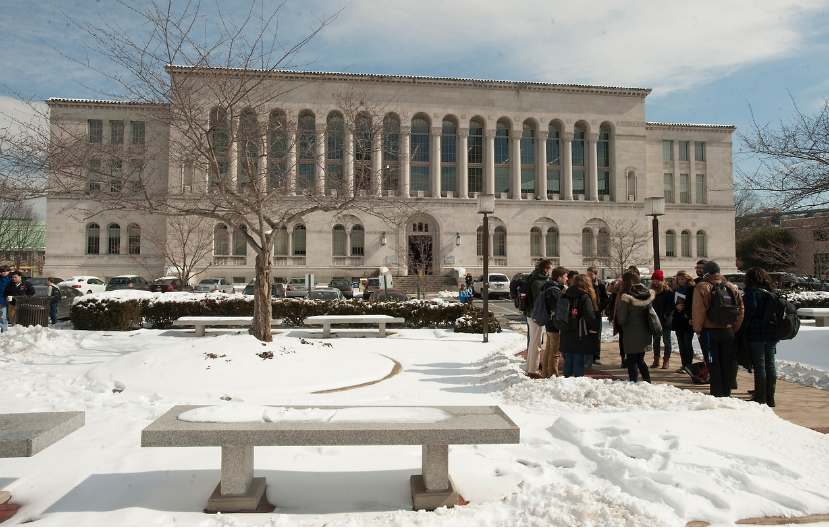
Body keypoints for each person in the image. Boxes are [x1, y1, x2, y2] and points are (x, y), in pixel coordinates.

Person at [692, 261, 744, 398]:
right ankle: (727, 393)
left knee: (713, 364)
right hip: (728, 330)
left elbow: (699, 311)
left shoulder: (702, 287)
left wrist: (698, 330)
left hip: (709, 331)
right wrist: (734, 327)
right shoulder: (731, 286)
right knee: (727, 363)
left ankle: (716, 394)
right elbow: (741, 309)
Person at [741, 267, 779, 407]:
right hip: (772, 332)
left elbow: (749, 314)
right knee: (770, 364)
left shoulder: (753, 293)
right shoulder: (771, 292)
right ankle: (770, 396)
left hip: (756, 333)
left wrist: (741, 329)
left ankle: (760, 396)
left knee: (760, 365)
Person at [614, 271, 655, 383]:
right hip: (645, 330)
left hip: (630, 331)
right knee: (641, 360)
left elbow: (621, 318)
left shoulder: (626, 296)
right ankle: (647, 381)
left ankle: (634, 382)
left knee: (632, 360)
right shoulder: (646, 294)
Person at [559, 274, 601, 378]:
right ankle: (578, 381)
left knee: (568, 358)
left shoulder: (566, 294)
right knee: (578, 359)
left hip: (566, 330)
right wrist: (595, 326)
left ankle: (566, 380)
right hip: (580, 332)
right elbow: (589, 315)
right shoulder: (584, 296)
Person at [523, 259, 553, 378]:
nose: (550, 272)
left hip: (530, 314)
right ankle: (533, 370)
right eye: (550, 269)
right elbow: (538, 302)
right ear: (546, 270)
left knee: (533, 342)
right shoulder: (539, 283)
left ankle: (530, 367)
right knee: (536, 343)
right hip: (536, 316)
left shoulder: (532, 278)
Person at [541, 266, 568, 378]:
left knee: (548, 350)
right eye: (565, 276)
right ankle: (552, 375)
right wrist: (564, 294)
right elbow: (558, 307)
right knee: (555, 353)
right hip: (554, 324)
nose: (566, 279)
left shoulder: (547, 286)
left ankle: (546, 374)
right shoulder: (555, 290)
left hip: (548, 322)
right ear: (559, 277)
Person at [671, 270, 696, 372]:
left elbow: (692, 304)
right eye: (679, 279)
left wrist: (686, 311)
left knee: (687, 344)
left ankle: (689, 365)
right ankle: (683, 364)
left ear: (687, 279)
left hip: (687, 319)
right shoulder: (676, 289)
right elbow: (671, 303)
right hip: (678, 319)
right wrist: (676, 306)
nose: (681, 281)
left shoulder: (691, 289)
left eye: (683, 279)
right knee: (681, 344)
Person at [649, 271, 674, 369]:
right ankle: (656, 360)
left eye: (657, 281)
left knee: (666, 341)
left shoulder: (667, 291)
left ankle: (666, 361)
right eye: (654, 281)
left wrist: (665, 315)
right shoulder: (651, 291)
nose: (655, 283)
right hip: (655, 319)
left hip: (665, 319)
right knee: (656, 341)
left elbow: (671, 305)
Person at [586, 266, 608, 365]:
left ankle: (596, 356)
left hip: (596, 312)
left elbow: (605, 298)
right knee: (587, 335)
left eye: (591, 274)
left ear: (595, 275)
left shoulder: (600, 285)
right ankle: (588, 355)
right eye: (588, 274)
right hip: (587, 312)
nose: (589, 276)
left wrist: (600, 308)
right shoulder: (585, 284)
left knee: (596, 335)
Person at [0, 265, 11, 333]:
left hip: (10, 299)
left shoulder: (11, 279)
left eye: (5, 271)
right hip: (1, 299)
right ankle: (4, 329)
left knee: (10, 315)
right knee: (2, 316)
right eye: (2, 271)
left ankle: (15, 329)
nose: (3, 272)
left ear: (8, 271)